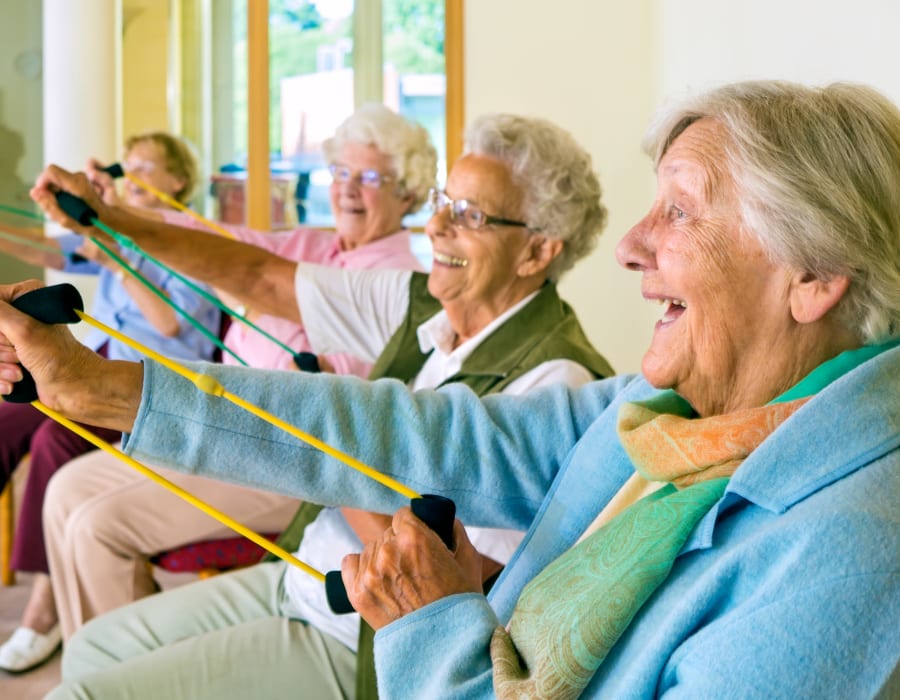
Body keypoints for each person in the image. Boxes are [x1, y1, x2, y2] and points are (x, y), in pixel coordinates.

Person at [11, 79, 898, 698]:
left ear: (813, 275)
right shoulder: (672, 416)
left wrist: (436, 623)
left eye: (679, 209)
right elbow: (411, 435)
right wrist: (98, 387)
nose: (631, 244)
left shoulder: (851, 546)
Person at [31, 111, 613, 698]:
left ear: (537, 252)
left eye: (470, 216)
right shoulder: (422, 304)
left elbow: (469, 584)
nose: (435, 226)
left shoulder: (556, 381)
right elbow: (258, 272)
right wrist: (111, 219)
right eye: (444, 202)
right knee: (91, 650)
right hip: (307, 572)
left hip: (357, 632)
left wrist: (330, 452)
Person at [38, 103, 438, 644]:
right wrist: (110, 214)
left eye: (369, 178)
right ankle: (105, 664)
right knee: (64, 491)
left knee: (94, 526)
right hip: (217, 428)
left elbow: (340, 389)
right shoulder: (312, 246)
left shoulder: (399, 279)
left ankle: (122, 673)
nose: (348, 189)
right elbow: (221, 247)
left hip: (290, 460)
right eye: (341, 173)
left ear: (408, 193)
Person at [0, 131, 222, 674]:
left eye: (150, 165)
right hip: (100, 363)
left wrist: (119, 256)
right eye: (132, 163)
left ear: (178, 180)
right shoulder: (116, 230)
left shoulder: (194, 242)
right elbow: (46, 251)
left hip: (157, 387)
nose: (134, 172)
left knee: (55, 436)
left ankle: (43, 606)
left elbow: (173, 325)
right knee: (4, 416)